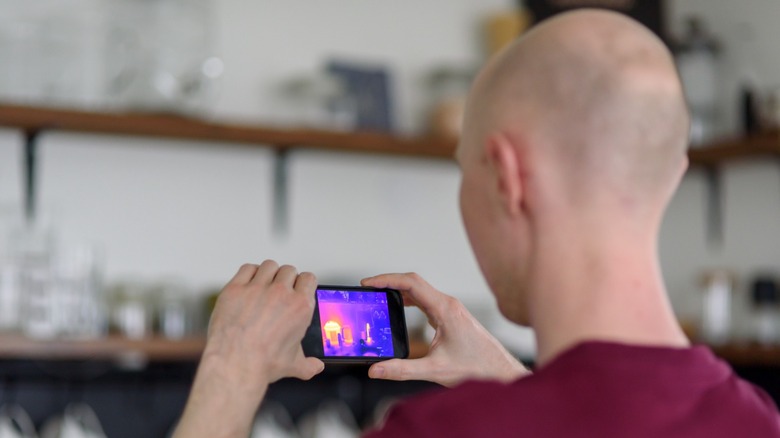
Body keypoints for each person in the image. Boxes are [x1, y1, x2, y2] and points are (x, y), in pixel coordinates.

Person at [173, 9, 780, 438]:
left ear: (508, 178)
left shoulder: (444, 432)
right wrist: (515, 382)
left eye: (465, 170)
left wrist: (230, 367)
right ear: (671, 175)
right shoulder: (759, 419)